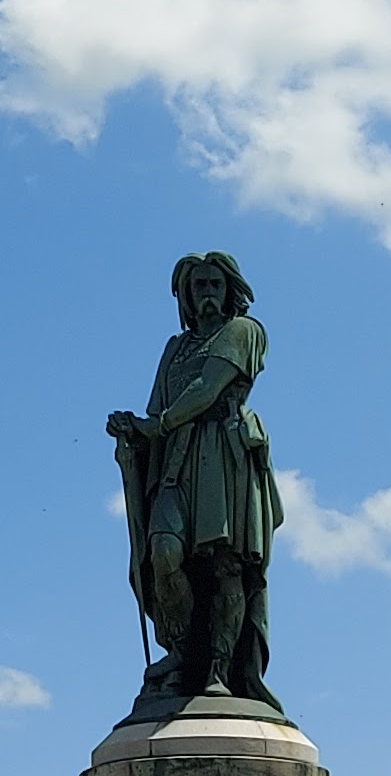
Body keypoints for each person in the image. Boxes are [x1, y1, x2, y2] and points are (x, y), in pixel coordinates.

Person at [107, 250, 286, 710]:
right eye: (198, 287)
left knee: (226, 563)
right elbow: (156, 410)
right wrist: (134, 432)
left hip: (224, 454)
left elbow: (206, 391)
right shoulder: (175, 347)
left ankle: (219, 670)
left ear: (230, 290)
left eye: (214, 285)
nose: (207, 294)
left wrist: (156, 426)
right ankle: (184, 653)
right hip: (175, 462)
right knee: (164, 551)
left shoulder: (244, 332)